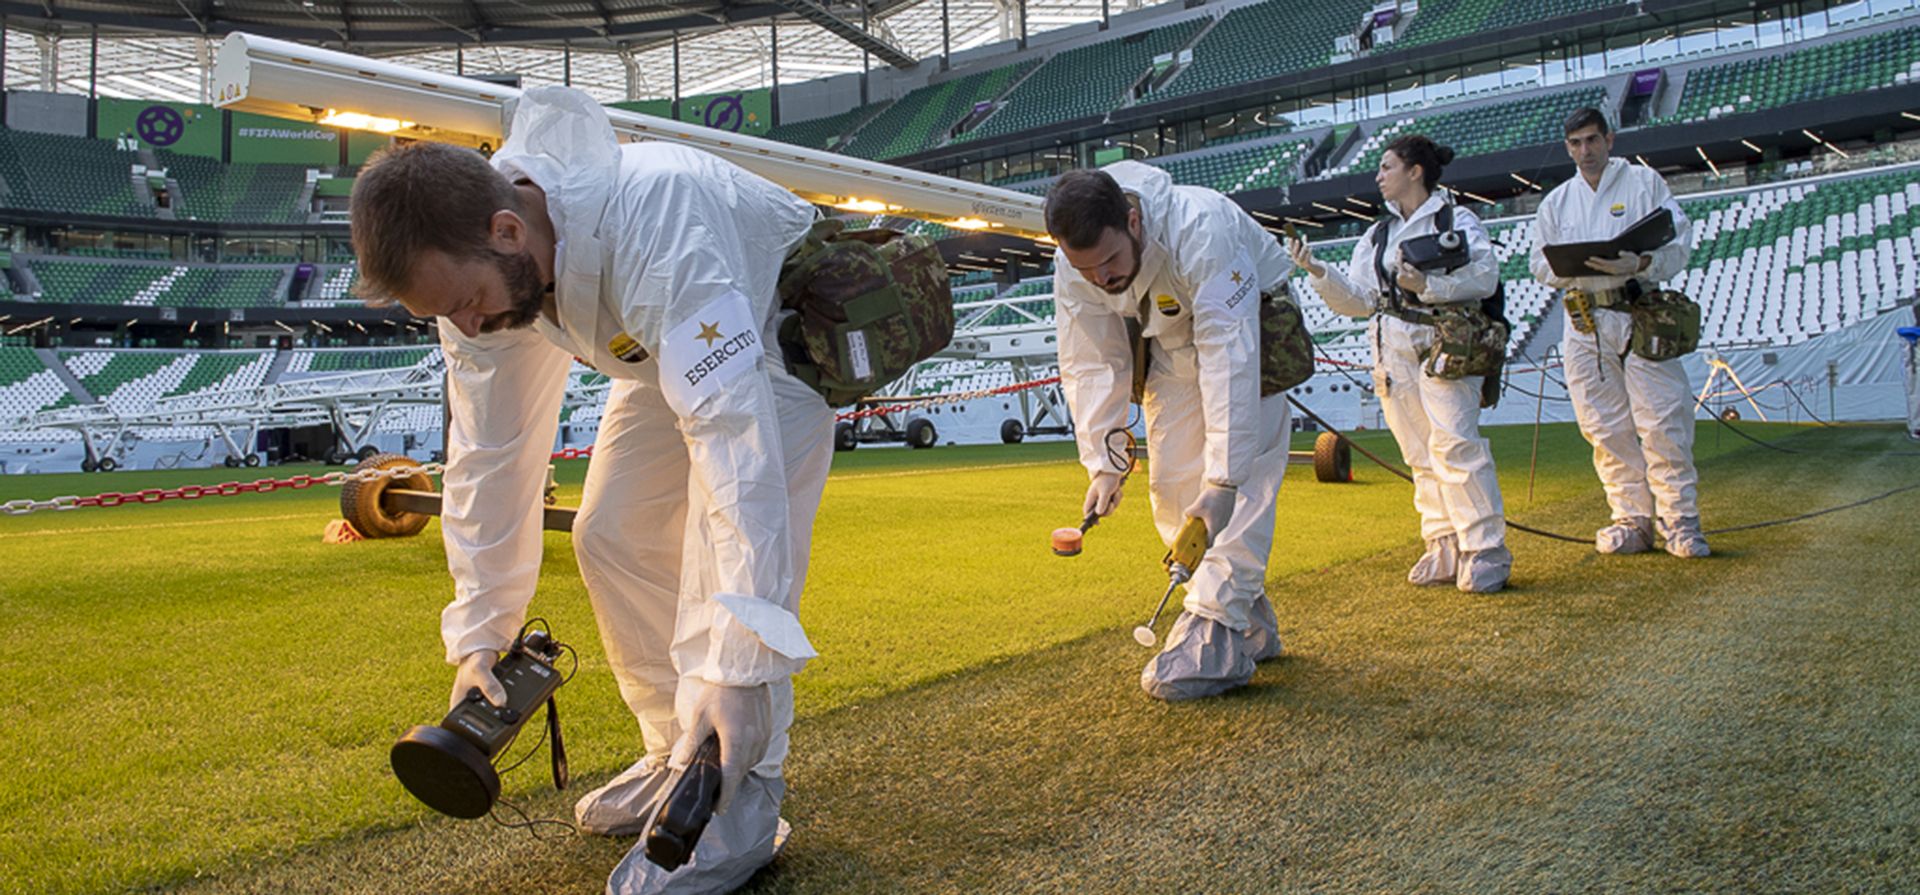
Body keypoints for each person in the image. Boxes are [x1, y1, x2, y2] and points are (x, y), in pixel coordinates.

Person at [350, 86, 830, 894]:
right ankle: (674, 751)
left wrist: (740, 669)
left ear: (509, 231)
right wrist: (479, 638)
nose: (466, 328)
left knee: (716, 553)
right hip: (654, 346)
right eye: (444, 313)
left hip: (776, 339)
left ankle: (739, 802)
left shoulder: (656, 219)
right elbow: (489, 456)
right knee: (608, 533)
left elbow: (734, 447)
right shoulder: (482, 278)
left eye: (465, 304)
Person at [1045, 162, 1294, 701]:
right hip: (1170, 346)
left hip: (1253, 334)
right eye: (1087, 270)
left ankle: (1215, 630)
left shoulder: (1202, 228)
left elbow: (1230, 353)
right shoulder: (1073, 266)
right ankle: (1244, 616)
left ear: (1133, 221)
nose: (1102, 279)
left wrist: (1224, 480)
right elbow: (1091, 361)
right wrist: (1105, 466)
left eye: (1110, 261)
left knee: (1240, 489)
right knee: (1174, 487)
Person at [1288, 135, 1512, 593]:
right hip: (1392, 349)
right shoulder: (1378, 235)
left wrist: (1426, 285)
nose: (1379, 176)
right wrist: (1319, 272)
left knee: (1455, 444)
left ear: (1415, 171)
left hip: (1443, 343)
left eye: (1387, 167)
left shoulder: (1456, 219)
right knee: (1419, 452)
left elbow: (1485, 277)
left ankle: (1484, 547)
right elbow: (1360, 301)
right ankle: (1443, 543)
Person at [1528, 107, 1707, 558]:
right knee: (1603, 425)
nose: (1585, 150)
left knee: (1663, 418)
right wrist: (1571, 268)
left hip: (1638, 310)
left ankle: (1679, 520)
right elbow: (1537, 264)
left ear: (1609, 140)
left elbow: (1679, 243)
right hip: (1585, 321)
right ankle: (1631, 518)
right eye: (1575, 143)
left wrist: (1641, 262)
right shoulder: (1557, 202)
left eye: (1592, 140)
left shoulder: (1643, 183)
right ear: (1567, 148)